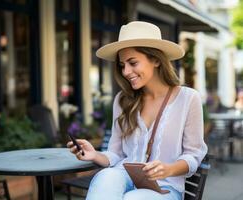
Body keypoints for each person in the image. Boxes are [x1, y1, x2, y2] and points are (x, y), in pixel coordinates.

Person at [67, 21, 207, 200]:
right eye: (122, 65)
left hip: (164, 187)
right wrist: (95, 155)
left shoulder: (188, 99)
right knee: (106, 176)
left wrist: (168, 169)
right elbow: (116, 154)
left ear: (156, 59)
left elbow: (194, 155)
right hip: (124, 175)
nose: (126, 71)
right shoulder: (123, 100)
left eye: (133, 63)